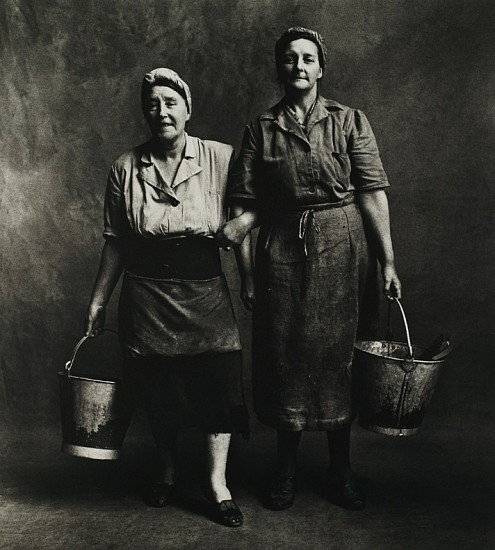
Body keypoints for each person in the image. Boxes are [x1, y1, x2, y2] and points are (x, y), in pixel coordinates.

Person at [217, 27, 401, 511]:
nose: (298, 66)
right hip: (280, 251)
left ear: (321, 68)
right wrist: (248, 277)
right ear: (279, 68)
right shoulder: (260, 130)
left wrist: (387, 261)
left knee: (339, 357)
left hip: (342, 248)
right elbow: (241, 206)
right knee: (285, 357)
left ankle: (341, 468)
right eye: (289, 59)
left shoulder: (350, 121)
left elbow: (372, 194)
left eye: (308, 58)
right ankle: (286, 469)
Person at [84, 68, 248, 528]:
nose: (162, 112)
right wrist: (98, 300)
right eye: (153, 104)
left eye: (171, 102)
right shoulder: (124, 167)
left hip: (205, 292)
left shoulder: (220, 157)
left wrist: (243, 234)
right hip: (147, 296)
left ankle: (217, 483)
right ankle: (168, 470)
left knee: (219, 382)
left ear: (188, 109)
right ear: (145, 112)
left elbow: (263, 199)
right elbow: (116, 241)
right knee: (159, 387)